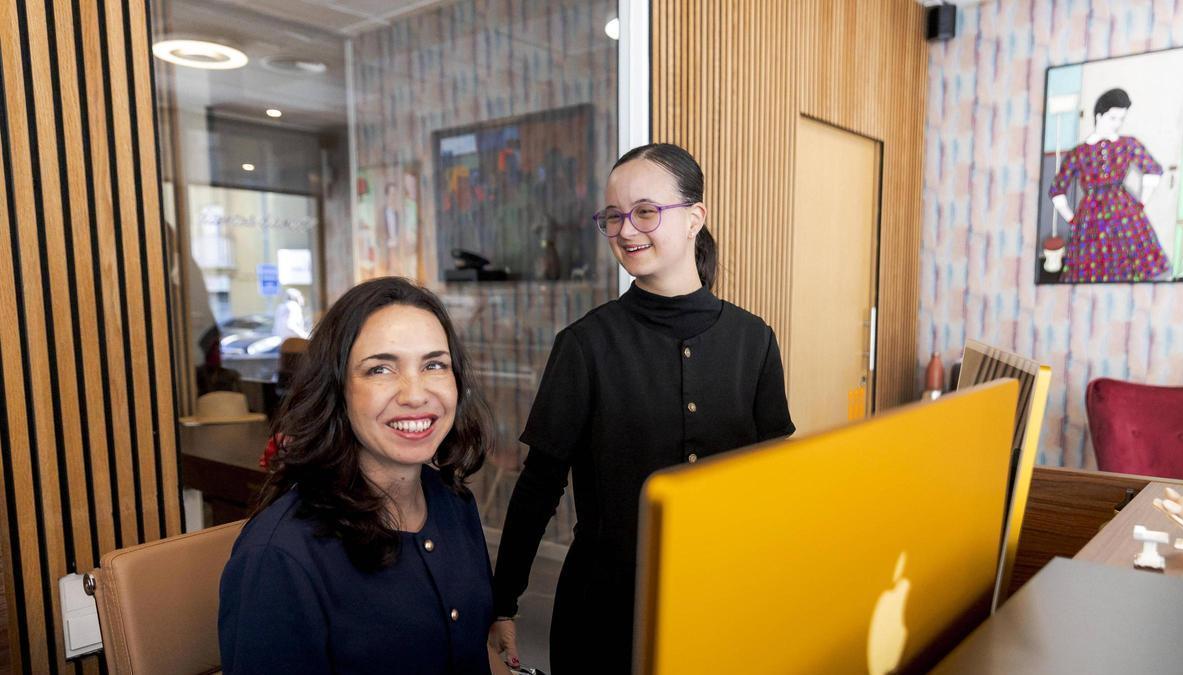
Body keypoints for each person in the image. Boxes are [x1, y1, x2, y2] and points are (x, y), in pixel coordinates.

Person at [489, 143, 795, 673]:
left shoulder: (755, 341)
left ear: (694, 217)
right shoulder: (585, 346)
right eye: (614, 217)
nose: (627, 231)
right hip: (604, 609)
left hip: (721, 598)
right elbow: (540, 485)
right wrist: (503, 601)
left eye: (646, 211)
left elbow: (775, 481)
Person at [219, 277, 509, 674]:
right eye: (380, 369)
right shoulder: (279, 557)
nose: (415, 394)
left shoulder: (453, 503)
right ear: (336, 389)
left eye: (434, 365)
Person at [1049, 87, 1169, 282]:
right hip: (1090, 216)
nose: (1117, 124)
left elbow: (1153, 170)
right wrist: (1072, 219)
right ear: (1099, 115)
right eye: (1113, 118)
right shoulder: (1078, 153)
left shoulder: (1128, 144)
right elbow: (1057, 190)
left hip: (1124, 210)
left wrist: (1141, 203)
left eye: (1121, 119)